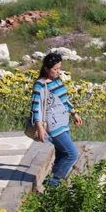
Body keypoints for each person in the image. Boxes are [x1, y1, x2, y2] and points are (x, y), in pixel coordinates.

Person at [31, 52, 83, 187]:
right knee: (72, 154)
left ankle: (54, 185)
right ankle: (53, 183)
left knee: (62, 154)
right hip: (53, 125)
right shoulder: (40, 85)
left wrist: (74, 113)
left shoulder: (57, 80)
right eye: (55, 69)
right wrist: (40, 127)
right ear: (47, 69)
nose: (58, 72)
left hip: (63, 122)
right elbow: (35, 106)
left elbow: (64, 98)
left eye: (59, 68)